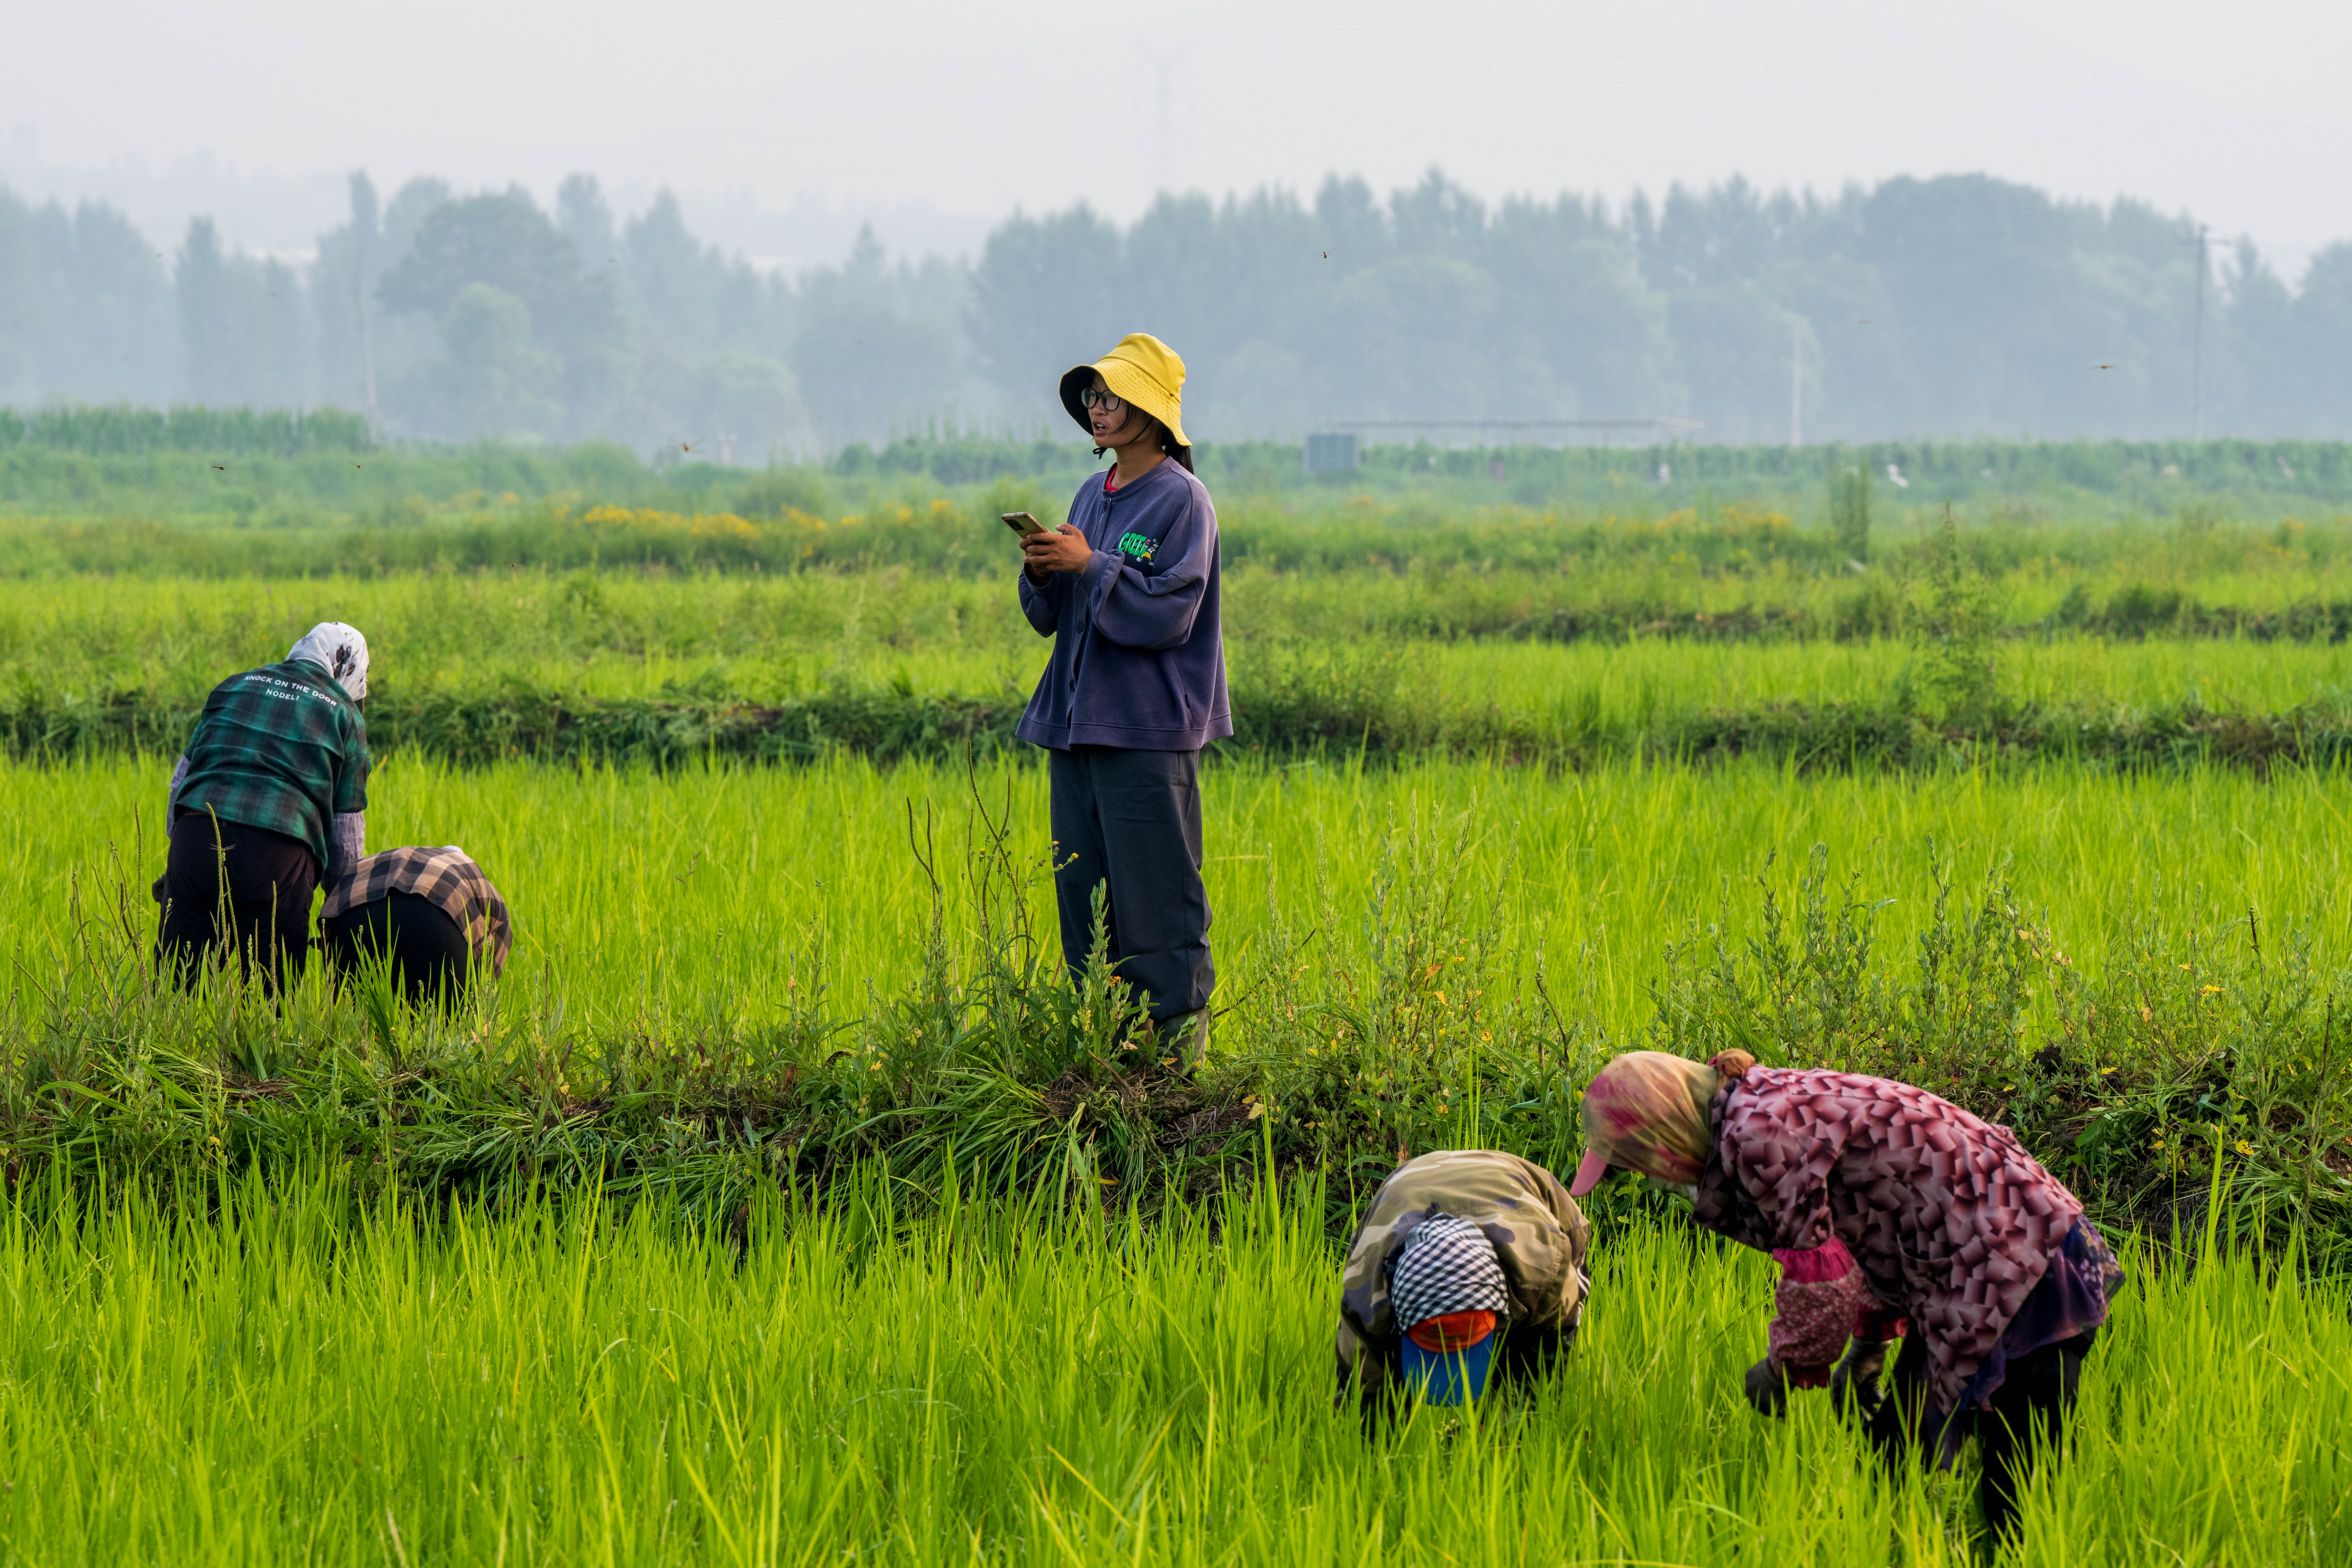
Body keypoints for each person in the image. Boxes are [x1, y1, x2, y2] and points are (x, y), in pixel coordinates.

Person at [1569, 1049, 2123, 1547]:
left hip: (2022, 1265)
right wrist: (1869, 1344)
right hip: (1976, 1263)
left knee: (2017, 1500)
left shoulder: (1755, 1138)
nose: (1653, 1176)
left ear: (1663, 1136)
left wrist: (1783, 1367)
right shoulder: (1760, 1101)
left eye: (1639, 1160)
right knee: (1891, 1457)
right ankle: (1890, 1547)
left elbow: (1821, 1277)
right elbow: (1876, 1217)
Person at [1016, 332, 1230, 1065]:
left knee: (1156, 893)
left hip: (1146, 729)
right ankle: (1104, 1052)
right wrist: (1046, 570)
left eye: (1112, 397)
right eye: (1093, 397)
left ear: (1151, 410)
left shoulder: (1182, 499)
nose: (1098, 409)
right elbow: (1055, 615)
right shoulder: (1091, 492)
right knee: (1083, 891)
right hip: (1077, 728)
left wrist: (1091, 564)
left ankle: (1178, 1062)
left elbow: (1169, 611)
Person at [155, 623, 371, 991]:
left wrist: (179, 862)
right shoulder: (345, 715)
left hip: (195, 839)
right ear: (349, 671)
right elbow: (346, 839)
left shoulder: (233, 685)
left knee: (175, 992)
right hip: (278, 858)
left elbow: (181, 783)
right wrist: (341, 907)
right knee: (268, 1000)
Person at [1335, 1149, 1592, 1421]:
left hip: (1524, 1193)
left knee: (1530, 1383)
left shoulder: (1546, 1265)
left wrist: (1514, 1423)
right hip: (1405, 1190)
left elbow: (1550, 1361)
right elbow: (1362, 1397)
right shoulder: (1368, 1291)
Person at [319, 844, 512, 1008]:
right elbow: (485, 985)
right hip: (435, 920)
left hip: (354, 913)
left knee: (360, 1030)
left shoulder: (413, 857)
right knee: (456, 1033)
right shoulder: (479, 884)